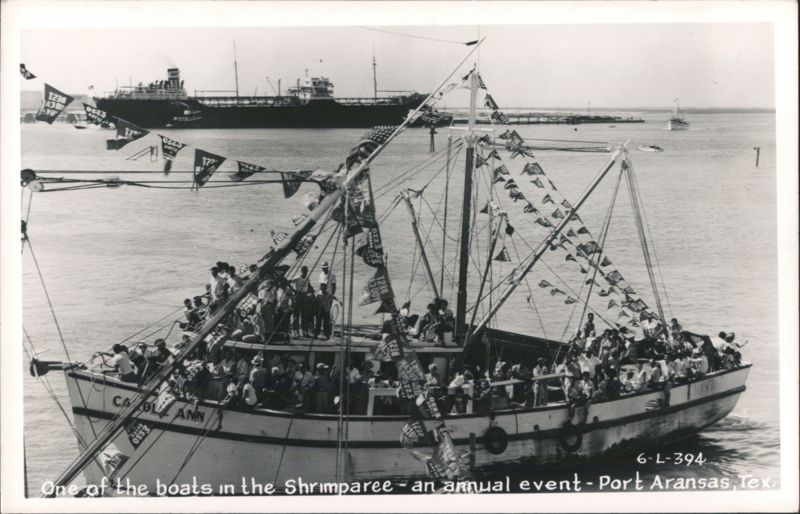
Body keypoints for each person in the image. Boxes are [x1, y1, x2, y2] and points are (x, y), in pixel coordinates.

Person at [291, 266, 312, 337]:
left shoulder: (307, 278)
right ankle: (295, 331)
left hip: (304, 295)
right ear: (301, 271)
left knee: (305, 314)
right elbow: (290, 282)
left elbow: (309, 285)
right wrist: (293, 290)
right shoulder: (297, 278)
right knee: (296, 313)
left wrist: (311, 292)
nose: (305, 273)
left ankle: (304, 330)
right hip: (298, 295)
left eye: (306, 271)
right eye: (304, 271)